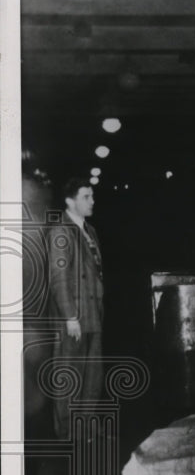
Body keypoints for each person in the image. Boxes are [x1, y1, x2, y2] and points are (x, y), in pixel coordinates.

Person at [48, 178, 104, 439]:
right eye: (86, 196)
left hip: (93, 314)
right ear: (70, 201)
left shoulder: (89, 231)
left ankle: (86, 427)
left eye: (92, 196)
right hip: (74, 317)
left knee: (92, 374)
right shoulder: (61, 231)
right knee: (70, 374)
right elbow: (59, 278)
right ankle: (68, 431)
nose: (92, 201)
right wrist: (70, 317)